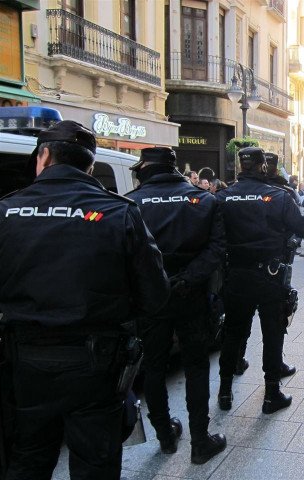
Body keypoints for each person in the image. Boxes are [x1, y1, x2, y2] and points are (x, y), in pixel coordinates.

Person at [0, 121, 170, 479]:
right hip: (96, 364)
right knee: (95, 465)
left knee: (28, 459)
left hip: (25, 364)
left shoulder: (7, 210)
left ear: (44, 156)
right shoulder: (119, 212)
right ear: (90, 167)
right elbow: (155, 295)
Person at [126, 147, 227, 464]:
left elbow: (124, 257)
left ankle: (165, 437)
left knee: (154, 367)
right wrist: (186, 280)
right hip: (191, 297)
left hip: (151, 300)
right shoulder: (204, 200)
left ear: (144, 170)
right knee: (196, 366)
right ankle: (200, 441)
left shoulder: (130, 204)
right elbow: (217, 249)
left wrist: (154, 284)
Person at [216, 147, 304, 414]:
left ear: (241, 166)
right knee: (272, 333)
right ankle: (271, 394)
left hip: (236, 274)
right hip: (270, 275)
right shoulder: (279, 196)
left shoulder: (222, 197)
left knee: (233, 333)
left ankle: (224, 392)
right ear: (263, 167)